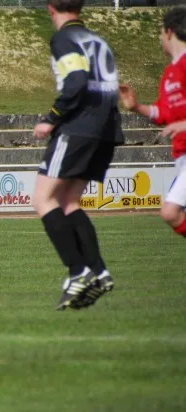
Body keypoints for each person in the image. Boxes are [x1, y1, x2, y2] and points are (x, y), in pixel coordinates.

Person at [31, 0, 124, 310]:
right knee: (69, 202)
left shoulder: (64, 38)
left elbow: (76, 81)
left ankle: (78, 271)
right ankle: (99, 271)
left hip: (79, 127)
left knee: (43, 199)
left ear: (50, 8)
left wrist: (51, 118)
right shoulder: (98, 40)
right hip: (106, 128)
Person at [119, 6, 186, 240]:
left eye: (160, 32)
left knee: (170, 212)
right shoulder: (169, 73)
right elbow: (163, 113)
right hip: (181, 155)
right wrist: (136, 107)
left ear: (169, 32)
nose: (159, 38)